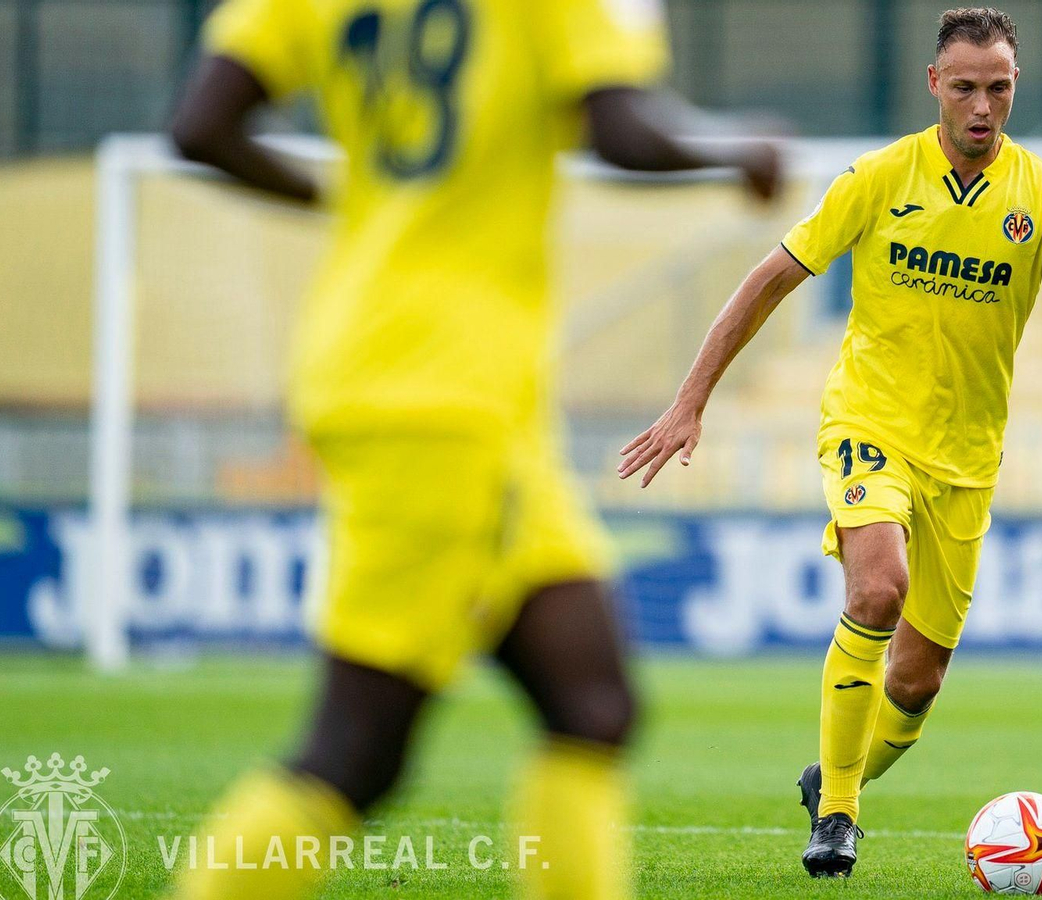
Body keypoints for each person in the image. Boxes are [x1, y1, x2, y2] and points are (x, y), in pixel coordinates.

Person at [165, 0, 781, 896]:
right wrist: (740, 147)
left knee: (593, 706)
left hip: (416, 374)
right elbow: (624, 131)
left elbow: (200, 124)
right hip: (443, 393)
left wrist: (356, 203)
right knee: (354, 751)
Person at [617, 6, 1042, 878]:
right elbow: (769, 280)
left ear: (1014, 88)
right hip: (869, 424)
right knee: (878, 590)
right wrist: (690, 403)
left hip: (966, 459)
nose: (982, 107)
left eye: (998, 89)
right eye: (964, 88)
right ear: (934, 83)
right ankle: (840, 817)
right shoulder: (880, 177)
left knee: (916, 686)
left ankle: (834, 774)